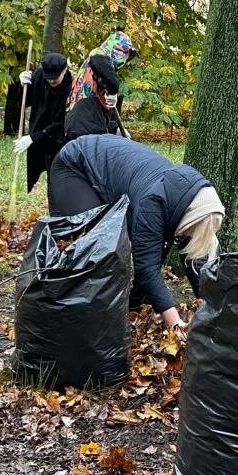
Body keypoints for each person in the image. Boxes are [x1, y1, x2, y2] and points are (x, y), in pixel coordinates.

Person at [49, 134, 224, 332]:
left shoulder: (191, 201)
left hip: (112, 167)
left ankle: (132, 304)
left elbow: (194, 256)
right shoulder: (154, 203)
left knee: (143, 247)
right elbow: (147, 269)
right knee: (93, 242)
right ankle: (69, 308)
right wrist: (176, 323)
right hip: (77, 164)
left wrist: (213, 303)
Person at [13, 52, 72, 192]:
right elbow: (23, 103)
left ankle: (57, 203)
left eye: (55, 77)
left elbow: (61, 123)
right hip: (38, 127)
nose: (51, 81)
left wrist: (33, 138)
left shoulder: (71, 88)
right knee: (35, 165)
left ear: (64, 70)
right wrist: (22, 85)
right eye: (48, 77)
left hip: (57, 138)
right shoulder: (39, 76)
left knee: (56, 174)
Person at [68, 30, 135, 112]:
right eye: (121, 51)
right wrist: (113, 90)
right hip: (82, 113)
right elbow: (104, 69)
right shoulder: (98, 54)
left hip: (87, 112)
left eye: (126, 56)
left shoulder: (101, 68)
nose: (123, 59)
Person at [64, 54, 126, 141]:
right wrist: (113, 90)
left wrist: (116, 129)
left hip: (81, 126)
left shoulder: (98, 79)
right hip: (83, 128)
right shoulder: (99, 58)